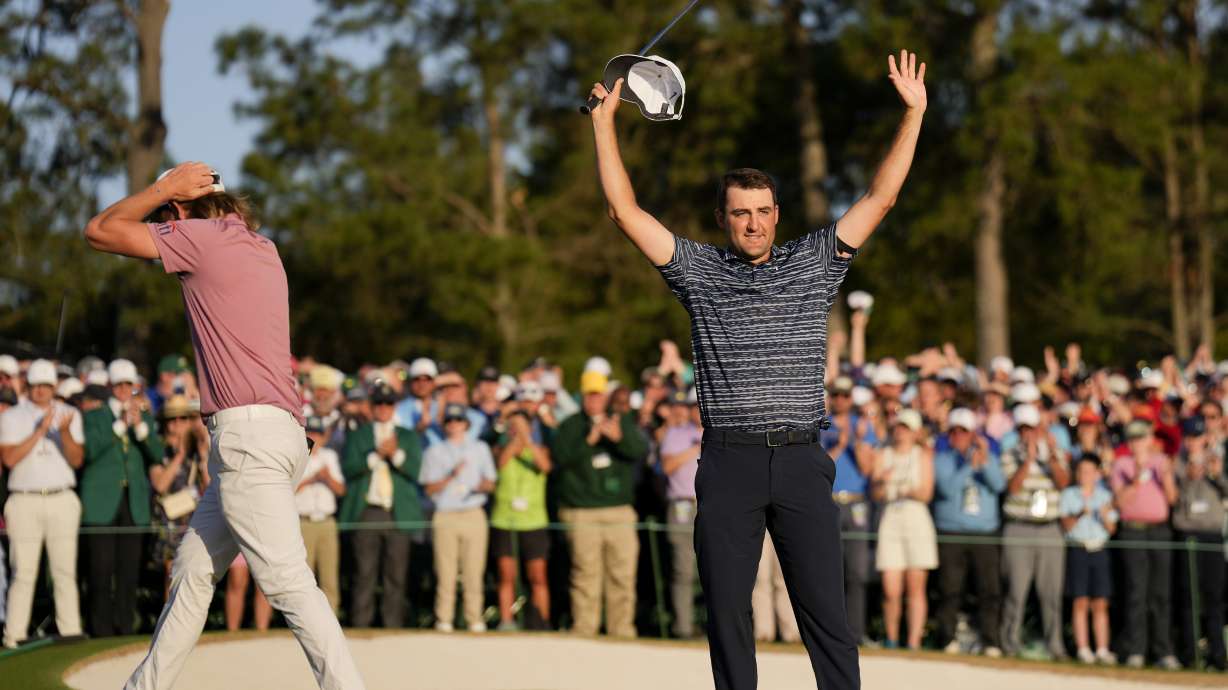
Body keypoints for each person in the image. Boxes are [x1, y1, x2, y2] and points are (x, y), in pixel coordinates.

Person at [588, 46, 926, 690]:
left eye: (762, 210)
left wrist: (912, 115)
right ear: (723, 218)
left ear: (778, 214)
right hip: (729, 462)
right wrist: (605, 125)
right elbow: (624, 213)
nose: (752, 222)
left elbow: (880, 198)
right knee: (727, 613)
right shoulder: (699, 271)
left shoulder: (815, 261)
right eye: (739, 211)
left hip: (801, 458)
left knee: (826, 614)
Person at [84, 161, 365, 689]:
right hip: (276, 435)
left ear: (181, 211)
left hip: (248, 438)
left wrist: (162, 190)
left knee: (286, 582)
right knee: (192, 571)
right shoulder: (264, 247)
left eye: (169, 213)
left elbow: (100, 231)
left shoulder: (200, 238)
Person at [551, 370, 648, 638]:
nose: (594, 400)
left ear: (605, 396)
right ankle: (585, 629)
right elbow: (559, 458)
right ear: (582, 396)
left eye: (598, 394)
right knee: (585, 574)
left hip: (619, 511)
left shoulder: (622, 421)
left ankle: (621, 630)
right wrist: (588, 441)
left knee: (623, 574)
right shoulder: (570, 426)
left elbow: (639, 451)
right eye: (589, 395)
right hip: (582, 512)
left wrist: (619, 438)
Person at [0, 359, 84, 648]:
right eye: (36, 386)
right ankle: (14, 636)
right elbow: (9, 458)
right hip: (24, 499)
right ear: (28, 386)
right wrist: (39, 431)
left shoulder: (70, 414)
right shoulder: (12, 416)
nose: (40, 392)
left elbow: (76, 459)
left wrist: (62, 432)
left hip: (62, 497)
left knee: (64, 570)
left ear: (53, 387)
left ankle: (70, 630)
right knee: (23, 571)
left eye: (46, 386)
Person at [81, 358, 163, 637]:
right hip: (102, 501)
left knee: (129, 570)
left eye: (129, 384)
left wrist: (140, 428)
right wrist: (119, 426)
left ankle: (126, 626)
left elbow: (158, 454)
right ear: (110, 386)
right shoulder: (94, 416)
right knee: (100, 571)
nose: (124, 390)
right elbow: (90, 451)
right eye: (119, 384)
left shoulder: (145, 417)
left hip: (133, 502)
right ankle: (100, 629)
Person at [340, 382, 424, 629]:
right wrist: (376, 454)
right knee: (364, 573)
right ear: (372, 406)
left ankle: (392, 626)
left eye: (388, 404)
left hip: (397, 512)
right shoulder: (360, 435)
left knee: (396, 575)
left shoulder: (407, 436)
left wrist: (395, 455)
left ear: (394, 407)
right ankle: (360, 625)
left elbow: (415, 471)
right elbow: (350, 469)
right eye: (379, 403)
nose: (384, 408)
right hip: (368, 511)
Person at [998, 403, 1070, 661]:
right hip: (1019, 527)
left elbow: (1063, 483)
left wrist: (1050, 456)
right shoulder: (1009, 454)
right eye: (1024, 429)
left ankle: (1055, 646)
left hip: (1050, 528)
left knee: (1051, 593)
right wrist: (1027, 460)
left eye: (1033, 428)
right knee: (1016, 591)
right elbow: (1014, 488)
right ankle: (1009, 642)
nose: (1030, 433)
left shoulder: (1055, 453)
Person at [931, 408, 1005, 657]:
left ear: (973, 434)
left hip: (984, 533)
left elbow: (999, 485)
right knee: (950, 589)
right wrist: (968, 468)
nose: (959, 436)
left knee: (989, 590)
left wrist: (983, 462)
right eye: (955, 431)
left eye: (964, 432)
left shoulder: (986, 457)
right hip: (951, 533)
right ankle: (947, 638)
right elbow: (948, 489)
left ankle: (991, 641)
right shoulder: (942, 459)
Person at [420, 403, 497, 632]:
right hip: (446, 514)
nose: (454, 425)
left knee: (474, 570)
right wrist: (450, 476)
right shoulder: (434, 451)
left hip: (473, 511)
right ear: (445, 426)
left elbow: (491, 482)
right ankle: (444, 618)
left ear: (466, 424)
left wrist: (481, 486)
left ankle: (474, 618)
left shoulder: (480, 448)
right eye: (450, 421)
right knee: (446, 571)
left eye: (458, 421)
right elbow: (429, 489)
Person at [1111, 420, 1181, 670]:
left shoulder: (1161, 462)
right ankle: (1136, 650)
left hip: (1160, 531)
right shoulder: (1121, 464)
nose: (1137, 443)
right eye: (1133, 438)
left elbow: (1172, 498)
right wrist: (1137, 476)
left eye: (1142, 438)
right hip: (1133, 531)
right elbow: (1120, 502)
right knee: (1136, 592)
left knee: (1161, 593)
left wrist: (1165, 476)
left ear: (1149, 439)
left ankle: (1163, 650)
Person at [871, 409, 936, 650]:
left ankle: (913, 641)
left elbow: (926, 493)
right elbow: (876, 493)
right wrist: (883, 482)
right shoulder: (883, 454)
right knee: (891, 588)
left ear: (915, 432)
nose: (901, 431)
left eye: (906, 428)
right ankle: (891, 638)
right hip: (891, 518)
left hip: (916, 518)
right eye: (899, 426)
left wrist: (901, 488)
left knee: (916, 588)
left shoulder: (923, 455)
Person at [823, 375, 877, 645]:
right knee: (829, 569)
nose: (841, 400)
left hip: (856, 502)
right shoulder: (821, 425)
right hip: (829, 499)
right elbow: (819, 466)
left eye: (845, 395)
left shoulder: (862, 426)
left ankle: (855, 631)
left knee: (856, 571)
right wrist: (840, 445)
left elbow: (867, 469)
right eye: (837, 395)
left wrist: (855, 441)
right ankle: (832, 632)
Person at [490, 409, 553, 631]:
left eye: (521, 426)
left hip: (534, 521)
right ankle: (507, 621)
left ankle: (541, 621)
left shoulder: (539, 449)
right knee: (506, 574)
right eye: (512, 427)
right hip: (505, 520)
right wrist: (513, 442)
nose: (516, 430)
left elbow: (545, 466)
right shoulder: (500, 449)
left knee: (538, 576)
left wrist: (527, 439)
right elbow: (501, 464)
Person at [1172, 415, 1227, 670]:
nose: (1194, 442)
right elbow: (1173, 498)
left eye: (1198, 437)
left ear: (1205, 438)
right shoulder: (1178, 464)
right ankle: (1190, 654)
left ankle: (1218, 654)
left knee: (1214, 597)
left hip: (1212, 536)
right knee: (1189, 597)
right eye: (1190, 438)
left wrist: (1216, 475)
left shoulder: (1218, 460)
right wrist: (1188, 477)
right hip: (1188, 535)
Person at [149, 395, 211, 600]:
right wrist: (179, 457)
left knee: (193, 574)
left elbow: (209, 486)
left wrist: (202, 458)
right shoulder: (158, 450)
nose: (178, 424)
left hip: (193, 520)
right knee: (172, 574)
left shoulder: (196, 450)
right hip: (170, 521)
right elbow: (160, 484)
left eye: (183, 419)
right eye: (172, 419)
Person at [1059, 456, 1118, 666]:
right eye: (1081, 471)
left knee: (1100, 602)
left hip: (1099, 550)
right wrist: (1079, 513)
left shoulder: (1104, 496)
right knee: (1080, 600)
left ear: (1097, 474)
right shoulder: (1069, 495)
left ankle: (1102, 649)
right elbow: (1065, 525)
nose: (1085, 475)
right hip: (1078, 549)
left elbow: (1112, 529)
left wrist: (1104, 516)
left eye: (1089, 471)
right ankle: (1083, 649)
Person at [658, 389, 703, 639]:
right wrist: (695, 447)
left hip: (712, 504)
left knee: (715, 570)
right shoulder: (677, 434)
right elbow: (667, 466)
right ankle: (683, 627)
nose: (696, 410)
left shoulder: (719, 432)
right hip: (682, 506)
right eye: (692, 406)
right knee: (683, 569)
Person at [296, 416, 346, 614]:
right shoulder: (298, 457)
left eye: (318, 434)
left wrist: (327, 478)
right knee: (304, 575)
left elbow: (341, 490)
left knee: (329, 575)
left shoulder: (330, 456)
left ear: (325, 437)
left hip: (326, 521)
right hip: (303, 522)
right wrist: (312, 479)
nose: (314, 437)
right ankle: (305, 617)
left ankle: (331, 616)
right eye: (311, 433)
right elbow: (287, 490)